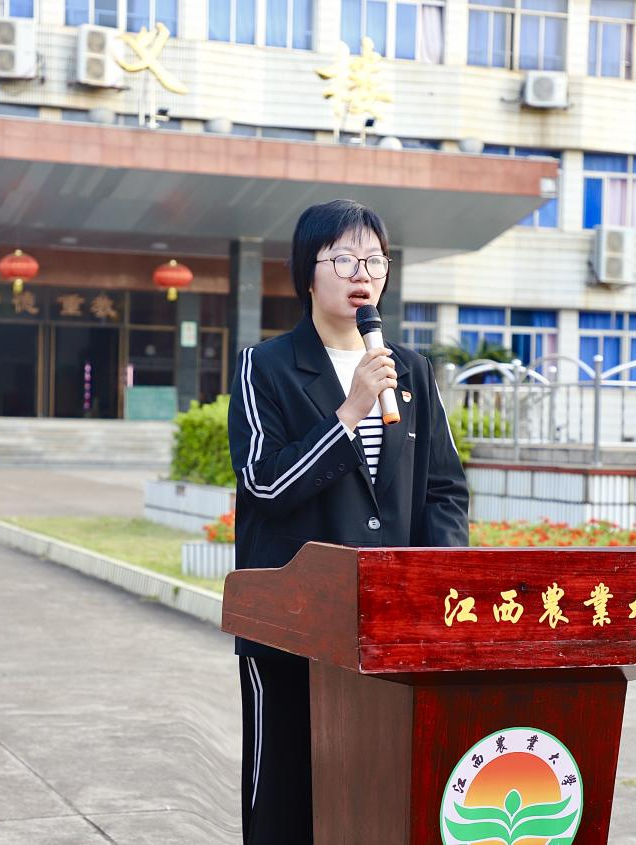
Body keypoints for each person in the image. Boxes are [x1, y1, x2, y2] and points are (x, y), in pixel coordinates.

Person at [227, 199, 469, 844]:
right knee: (286, 791)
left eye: (374, 260)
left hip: (388, 620)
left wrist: (437, 584)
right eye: (343, 259)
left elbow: (443, 489)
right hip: (290, 620)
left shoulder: (410, 370)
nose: (362, 273)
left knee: (376, 785)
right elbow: (265, 483)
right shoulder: (265, 367)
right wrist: (351, 409)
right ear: (306, 273)